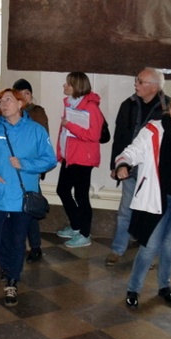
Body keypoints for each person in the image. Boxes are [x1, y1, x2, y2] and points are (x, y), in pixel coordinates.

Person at [0, 88, 56, 307]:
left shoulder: (36, 130)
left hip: (22, 197)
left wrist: (25, 164)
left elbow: (49, 159)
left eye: (8, 100)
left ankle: (12, 281)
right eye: (1, 101)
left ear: (20, 104)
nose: (4, 104)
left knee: (17, 241)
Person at [114, 94, 171, 310]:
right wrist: (123, 164)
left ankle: (164, 286)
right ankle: (133, 289)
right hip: (156, 197)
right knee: (150, 245)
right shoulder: (154, 130)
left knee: (169, 245)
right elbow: (132, 151)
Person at [107, 68, 170, 266]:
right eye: (137, 80)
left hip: (153, 172)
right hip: (129, 168)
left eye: (141, 81)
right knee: (125, 211)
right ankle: (117, 249)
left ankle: (149, 254)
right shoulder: (128, 104)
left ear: (154, 87)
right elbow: (119, 137)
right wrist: (115, 164)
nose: (136, 84)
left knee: (151, 214)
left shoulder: (168, 108)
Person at [56, 71, 105, 249]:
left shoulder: (91, 107)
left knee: (81, 196)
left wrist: (70, 125)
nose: (64, 86)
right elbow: (64, 133)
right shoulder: (70, 103)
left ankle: (84, 233)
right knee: (62, 190)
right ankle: (76, 225)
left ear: (76, 86)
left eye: (68, 83)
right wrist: (60, 152)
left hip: (83, 158)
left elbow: (94, 135)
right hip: (70, 157)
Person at [13, 77, 49, 262]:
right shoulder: (9, 113)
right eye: (20, 94)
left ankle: (35, 246)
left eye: (27, 93)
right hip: (13, 168)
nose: (24, 97)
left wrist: (38, 166)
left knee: (31, 206)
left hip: (29, 168)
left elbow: (42, 140)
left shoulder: (36, 112)